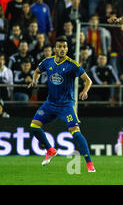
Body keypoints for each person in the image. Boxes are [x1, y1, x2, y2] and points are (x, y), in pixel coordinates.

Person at [28, 36, 95, 172]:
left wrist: (84, 91)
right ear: (55, 49)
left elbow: (88, 81)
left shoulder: (72, 64)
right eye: (60, 47)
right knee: (34, 127)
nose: (63, 49)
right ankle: (50, 150)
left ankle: (89, 163)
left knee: (76, 133)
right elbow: (37, 71)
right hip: (50, 104)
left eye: (65, 47)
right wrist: (35, 80)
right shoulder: (47, 62)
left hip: (66, 105)